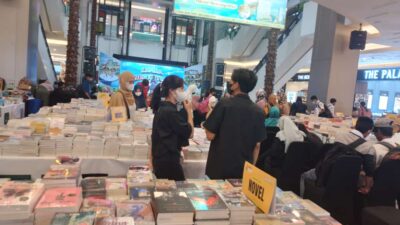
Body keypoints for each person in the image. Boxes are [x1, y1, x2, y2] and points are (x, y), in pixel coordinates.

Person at [203, 69, 266, 179]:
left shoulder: (224, 104)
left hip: (219, 168)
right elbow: (257, 145)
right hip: (243, 170)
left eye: (231, 80)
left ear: (236, 84)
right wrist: (250, 170)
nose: (230, 82)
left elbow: (210, 135)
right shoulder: (258, 111)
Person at [300, 117, 376, 196]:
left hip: (327, 174)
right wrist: (367, 188)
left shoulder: (339, 136)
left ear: (356, 125)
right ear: (369, 131)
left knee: (304, 176)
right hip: (350, 180)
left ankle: (303, 202)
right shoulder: (368, 147)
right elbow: (369, 171)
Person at [151, 75, 194, 181]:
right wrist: (189, 111)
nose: (183, 92)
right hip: (168, 160)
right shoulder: (170, 112)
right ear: (171, 91)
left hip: (161, 158)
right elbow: (190, 133)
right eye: (181, 89)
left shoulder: (163, 108)